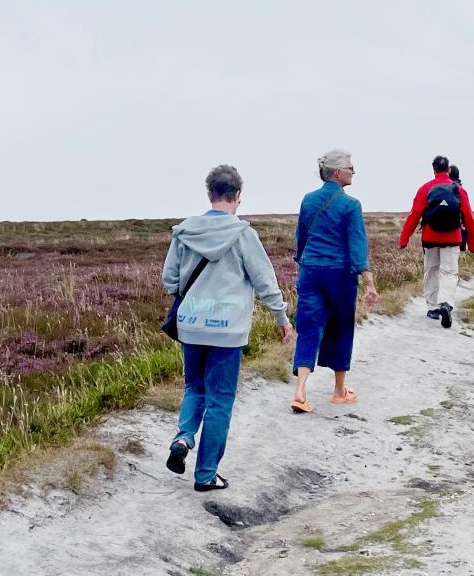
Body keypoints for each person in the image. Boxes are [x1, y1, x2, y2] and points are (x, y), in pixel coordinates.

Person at [162, 164, 295, 492]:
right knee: (220, 400)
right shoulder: (244, 235)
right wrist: (282, 319)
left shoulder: (184, 233)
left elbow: (170, 281)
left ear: (209, 194)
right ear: (237, 196)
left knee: (195, 388)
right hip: (227, 332)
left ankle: (183, 437)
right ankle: (206, 474)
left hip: (190, 326)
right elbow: (265, 282)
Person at [289, 149, 379, 413]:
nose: (354, 172)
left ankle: (300, 391)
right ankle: (339, 391)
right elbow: (358, 245)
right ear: (338, 172)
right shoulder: (351, 205)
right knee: (341, 328)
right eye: (351, 168)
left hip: (311, 270)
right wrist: (369, 281)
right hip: (339, 274)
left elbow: (301, 238)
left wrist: (303, 262)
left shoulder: (308, 200)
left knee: (308, 328)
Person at [398, 155, 474, 328]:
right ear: (448, 169)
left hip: (430, 237)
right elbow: (469, 219)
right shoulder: (459, 191)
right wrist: (473, 244)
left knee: (431, 271)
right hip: (452, 237)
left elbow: (414, 216)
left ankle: (433, 307)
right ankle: (446, 303)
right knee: (449, 273)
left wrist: (404, 238)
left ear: (433, 169)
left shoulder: (425, 189)